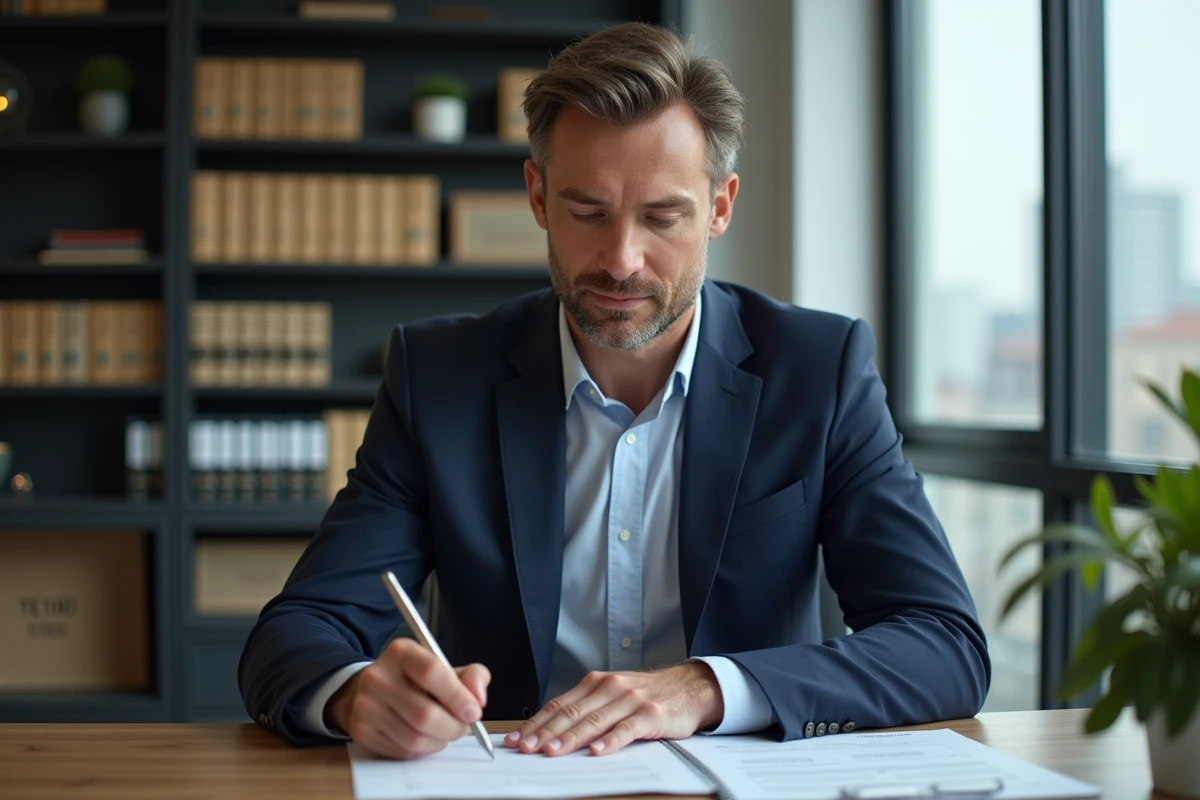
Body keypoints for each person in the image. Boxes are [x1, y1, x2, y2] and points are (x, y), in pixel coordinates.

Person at [239, 21, 990, 762]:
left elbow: (944, 643)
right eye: (587, 213)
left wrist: (704, 689)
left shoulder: (819, 371)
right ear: (538, 197)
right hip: (511, 779)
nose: (622, 260)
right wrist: (353, 694)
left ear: (720, 207)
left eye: (662, 216)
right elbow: (298, 630)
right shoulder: (438, 376)